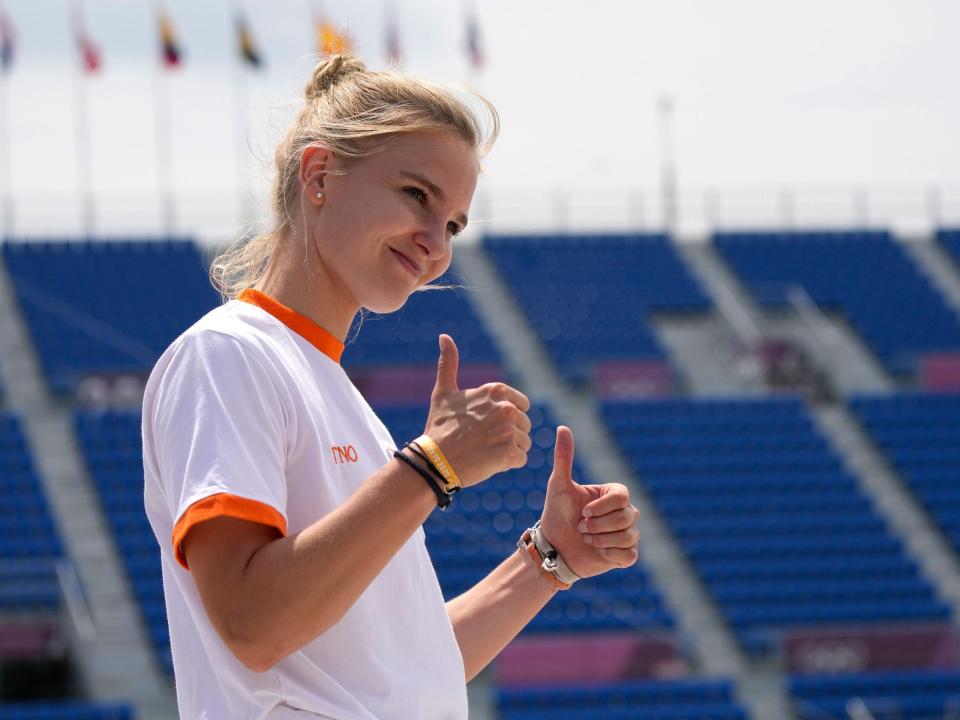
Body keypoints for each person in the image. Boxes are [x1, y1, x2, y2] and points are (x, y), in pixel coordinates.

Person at [141, 54, 640, 719]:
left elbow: (400, 671)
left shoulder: (328, 388)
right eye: (417, 195)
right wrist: (431, 466)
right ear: (319, 176)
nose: (438, 243)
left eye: (456, 224)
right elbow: (251, 625)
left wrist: (549, 561)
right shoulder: (227, 353)